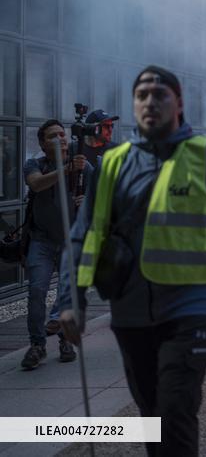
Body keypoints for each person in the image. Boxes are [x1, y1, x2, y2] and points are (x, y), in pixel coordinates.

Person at [59, 66, 206, 456]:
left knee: (176, 408)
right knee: (151, 412)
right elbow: (87, 233)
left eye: (160, 95)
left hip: (189, 305)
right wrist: (72, 298)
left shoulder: (205, 157)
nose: (150, 103)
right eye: (142, 95)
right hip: (129, 308)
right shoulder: (114, 164)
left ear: (179, 103)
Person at [20, 120, 92, 371]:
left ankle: (65, 341)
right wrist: (67, 169)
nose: (61, 139)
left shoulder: (84, 168)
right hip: (41, 240)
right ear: (42, 143)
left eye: (62, 134)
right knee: (36, 292)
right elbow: (37, 184)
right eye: (53, 136)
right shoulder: (34, 164)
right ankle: (37, 344)